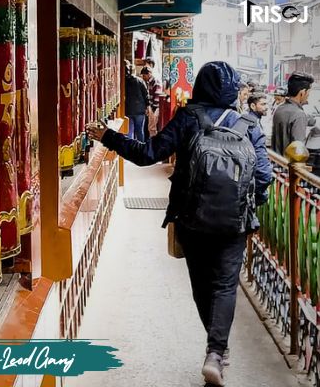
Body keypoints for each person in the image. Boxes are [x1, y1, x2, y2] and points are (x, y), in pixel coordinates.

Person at [87, 61, 272, 386]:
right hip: (233, 225)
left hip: (192, 219)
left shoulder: (189, 118)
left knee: (202, 285)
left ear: (200, 86)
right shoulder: (249, 126)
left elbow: (149, 154)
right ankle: (216, 353)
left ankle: (217, 349)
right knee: (226, 285)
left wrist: (108, 137)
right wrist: (246, 207)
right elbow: (264, 176)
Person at [271, 72, 315, 154]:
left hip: (277, 162)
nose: (308, 96)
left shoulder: (279, 109)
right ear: (302, 93)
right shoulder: (299, 115)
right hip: (289, 164)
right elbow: (298, 151)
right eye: (308, 93)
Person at [124, 60, 149, 142]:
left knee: (129, 132)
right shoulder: (140, 81)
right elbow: (146, 95)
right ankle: (141, 149)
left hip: (129, 110)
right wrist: (147, 106)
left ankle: (130, 150)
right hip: (140, 110)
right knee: (139, 132)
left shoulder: (124, 82)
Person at [141, 66, 163, 139]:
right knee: (150, 127)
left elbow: (157, 97)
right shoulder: (149, 82)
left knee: (153, 127)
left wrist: (152, 109)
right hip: (152, 107)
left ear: (149, 74)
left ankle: (153, 143)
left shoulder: (155, 82)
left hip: (155, 108)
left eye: (144, 75)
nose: (143, 77)